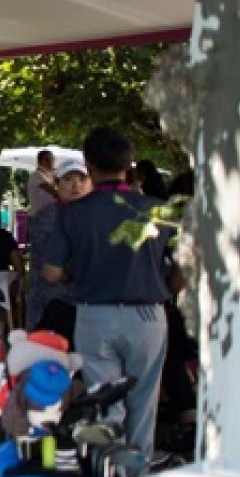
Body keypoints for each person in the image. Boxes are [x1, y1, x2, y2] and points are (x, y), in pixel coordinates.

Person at [34, 127, 177, 455]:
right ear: (129, 164)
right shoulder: (156, 210)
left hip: (94, 314)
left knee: (105, 402)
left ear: (89, 165)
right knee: (144, 403)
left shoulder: (73, 213)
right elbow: (185, 262)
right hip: (147, 314)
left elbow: (51, 272)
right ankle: (136, 469)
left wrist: (75, 271)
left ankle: (107, 468)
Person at [26, 164, 91, 328]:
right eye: (68, 179)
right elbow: (48, 263)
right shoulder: (47, 216)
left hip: (86, 305)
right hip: (51, 302)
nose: (76, 185)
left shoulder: (95, 215)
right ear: (57, 183)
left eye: (82, 179)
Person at [25, 149, 60, 218]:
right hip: (39, 216)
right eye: (48, 159)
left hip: (48, 215)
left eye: (53, 159)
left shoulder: (51, 175)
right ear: (41, 161)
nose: (52, 162)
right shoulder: (37, 175)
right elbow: (54, 193)